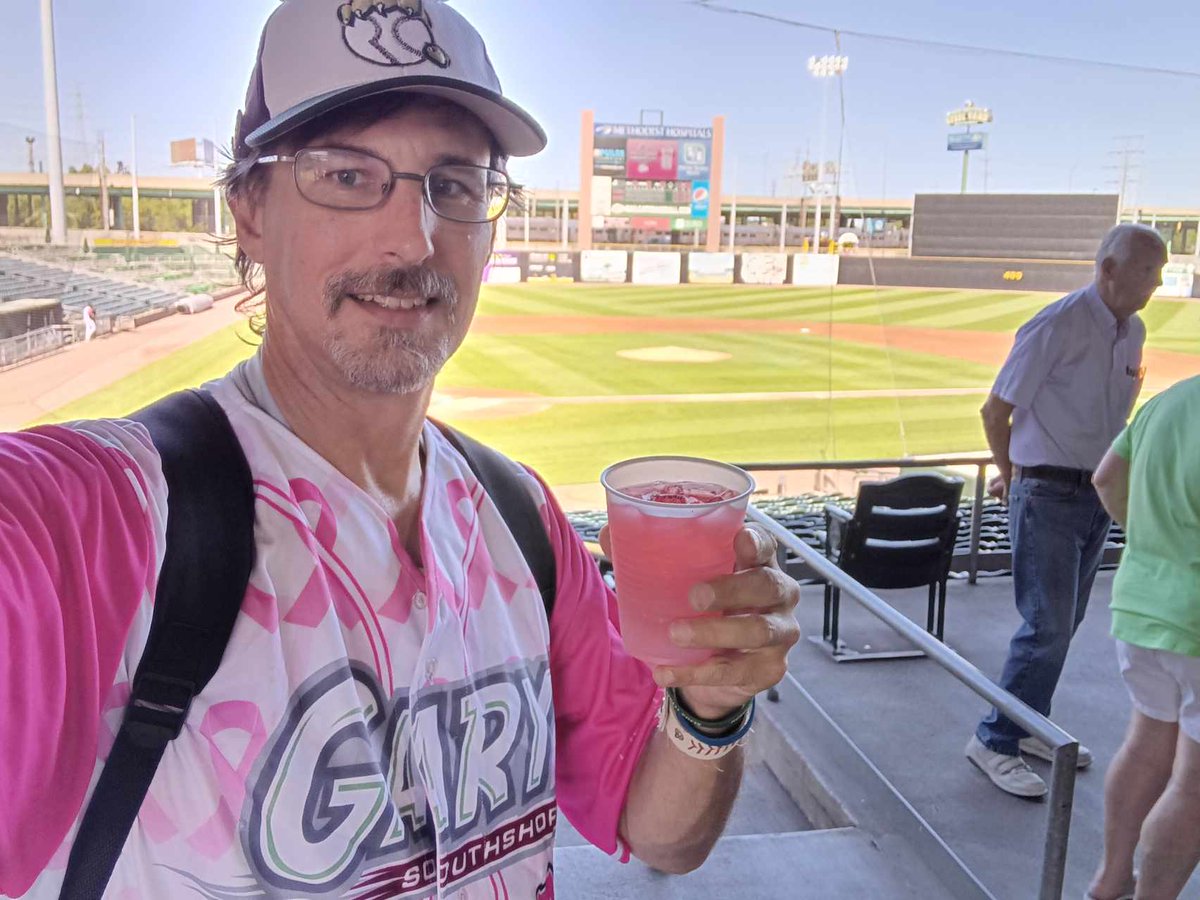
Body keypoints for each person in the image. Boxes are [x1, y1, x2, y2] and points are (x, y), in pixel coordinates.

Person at [0, 1, 800, 896]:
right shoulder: (94, 522)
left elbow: (660, 832)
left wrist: (709, 707)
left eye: (454, 184)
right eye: (346, 176)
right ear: (250, 211)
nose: (414, 239)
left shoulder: (520, 516)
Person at [965, 223, 1169, 798]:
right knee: (1046, 625)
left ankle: (1028, 722)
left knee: (1064, 624)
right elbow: (994, 410)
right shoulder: (1056, 324)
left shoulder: (1134, 332)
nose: (1158, 281)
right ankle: (994, 740)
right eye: (1149, 270)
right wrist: (1011, 475)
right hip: (1047, 493)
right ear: (1108, 268)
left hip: (1095, 492)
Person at [1086, 374, 1200, 900]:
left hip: (1141, 605)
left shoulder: (1168, 401)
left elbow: (1107, 479)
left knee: (1148, 742)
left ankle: (1110, 882)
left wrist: (1154, 544)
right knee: (1193, 786)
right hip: (1194, 623)